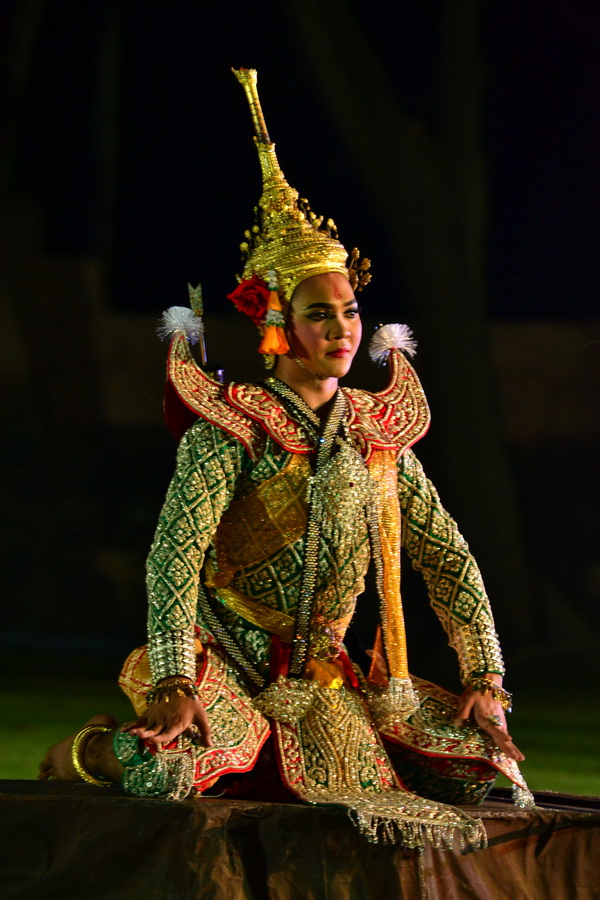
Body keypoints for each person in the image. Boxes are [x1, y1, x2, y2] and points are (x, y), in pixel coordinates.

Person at [39, 68, 531, 851]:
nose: (341, 329)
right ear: (278, 322)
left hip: (327, 676)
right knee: (165, 770)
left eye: (350, 311)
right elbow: (174, 555)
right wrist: (173, 678)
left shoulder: (377, 431)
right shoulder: (231, 426)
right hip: (227, 658)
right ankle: (88, 749)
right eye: (318, 314)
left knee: (480, 771)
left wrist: (485, 681)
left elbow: (447, 557)